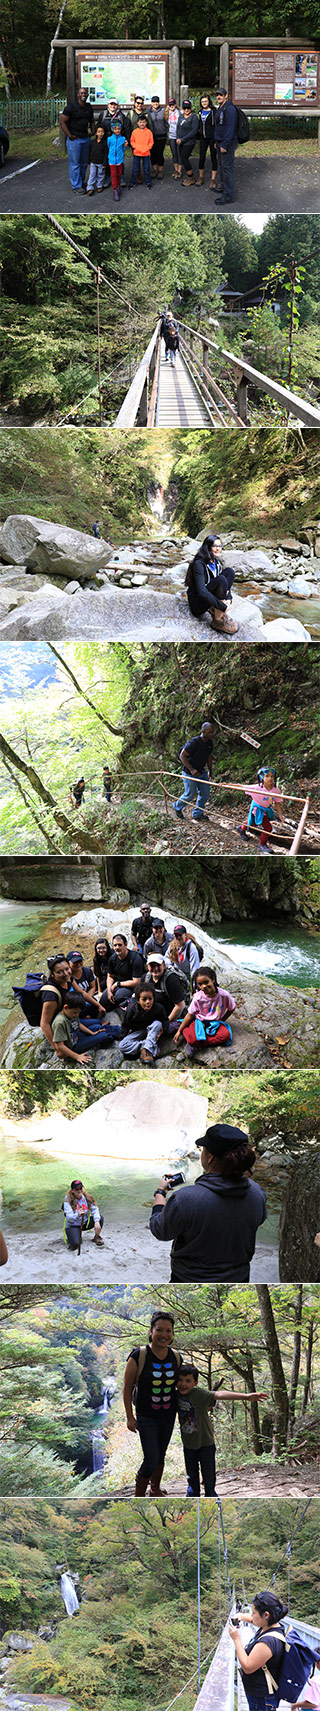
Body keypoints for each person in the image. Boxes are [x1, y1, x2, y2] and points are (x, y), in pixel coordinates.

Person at [149, 1122, 267, 1281]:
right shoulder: (257, 1193)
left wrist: (160, 1193)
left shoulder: (186, 1199)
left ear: (210, 1157)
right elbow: (257, 1220)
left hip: (188, 1278)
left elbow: (160, 1230)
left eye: (204, 1149)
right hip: (239, 1277)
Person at [176, 1364, 267, 1497]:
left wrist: (246, 1396)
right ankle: (192, 1495)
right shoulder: (174, 1396)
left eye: (188, 1381)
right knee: (192, 1476)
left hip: (206, 1443)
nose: (183, 1384)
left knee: (209, 1476)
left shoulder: (199, 1394)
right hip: (189, 1445)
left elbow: (219, 1394)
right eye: (180, 1380)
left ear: (195, 1382)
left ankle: (210, 1495)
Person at [123, 1308, 183, 1495]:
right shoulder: (138, 1355)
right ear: (151, 1331)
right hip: (146, 1416)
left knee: (160, 1456)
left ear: (172, 1333)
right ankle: (139, 1494)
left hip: (168, 1415)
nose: (164, 1335)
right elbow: (127, 1387)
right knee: (151, 1458)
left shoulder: (176, 1357)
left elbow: (183, 1385)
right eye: (159, 1330)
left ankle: (155, 1489)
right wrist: (129, 1417)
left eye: (168, 1331)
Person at [229, 1591, 289, 1709]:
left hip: (262, 1699)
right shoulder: (271, 1626)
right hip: (259, 1695)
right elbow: (253, 1620)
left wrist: (237, 1639)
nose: (251, 1616)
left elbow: (247, 1666)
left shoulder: (268, 1641)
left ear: (266, 1615)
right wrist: (240, 1616)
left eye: (254, 1612)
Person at [174, 964, 235, 1059]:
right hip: (199, 1021)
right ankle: (186, 1031)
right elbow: (190, 1015)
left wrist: (223, 1019)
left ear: (213, 979)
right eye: (200, 984)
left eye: (206, 982)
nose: (204, 986)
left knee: (226, 1035)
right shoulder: (198, 997)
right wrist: (179, 1031)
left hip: (215, 1023)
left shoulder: (224, 995)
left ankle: (198, 1043)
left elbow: (231, 1008)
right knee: (193, 1038)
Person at [185, 534, 238, 636]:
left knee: (229, 572)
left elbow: (225, 585)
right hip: (197, 603)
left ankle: (218, 612)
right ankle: (218, 621)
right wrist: (222, 606)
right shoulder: (199, 564)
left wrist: (229, 599)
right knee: (221, 579)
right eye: (215, 546)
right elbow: (202, 592)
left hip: (209, 599)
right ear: (208, 546)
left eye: (220, 546)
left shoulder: (216, 562)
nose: (218, 549)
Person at [52, 993, 121, 1064]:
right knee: (103, 1035)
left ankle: (119, 1030)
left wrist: (92, 1033)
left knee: (97, 1027)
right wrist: (77, 1056)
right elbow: (59, 1046)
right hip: (73, 1047)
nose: (77, 1015)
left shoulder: (72, 1014)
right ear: (66, 1007)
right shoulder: (60, 1022)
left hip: (78, 1036)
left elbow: (78, 1024)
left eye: (78, 1013)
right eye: (75, 1013)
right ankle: (118, 1034)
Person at [119, 979, 168, 1064]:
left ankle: (147, 1050)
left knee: (157, 1024)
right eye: (144, 999)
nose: (148, 1002)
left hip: (152, 1031)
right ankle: (149, 1048)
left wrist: (163, 1029)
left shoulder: (159, 1008)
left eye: (150, 999)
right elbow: (125, 1025)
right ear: (138, 1000)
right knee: (122, 1046)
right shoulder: (131, 1010)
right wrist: (122, 1036)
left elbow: (165, 1021)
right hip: (139, 1032)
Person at [237, 767, 285, 856]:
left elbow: (278, 803)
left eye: (272, 776)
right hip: (257, 809)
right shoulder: (257, 787)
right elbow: (241, 786)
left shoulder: (276, 790)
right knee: (268, 828)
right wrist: (226, 784)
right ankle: (262, 844)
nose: (270, 778)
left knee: (254, 823)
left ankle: (241, 828)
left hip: (265, 809)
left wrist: (281, 815)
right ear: (262, 777)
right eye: (267, 776)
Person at [174, 721, 214, 822]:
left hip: (201, 772)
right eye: (209, 732)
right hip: (189, 772)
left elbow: (209, 757)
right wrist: (192, 770)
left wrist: (210, 771)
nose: (211, 734)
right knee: (190, 794)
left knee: (205, 794)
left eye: (212, 732)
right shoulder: (194, 743)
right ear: (203, 732)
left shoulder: (209, 743)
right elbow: (182, 756)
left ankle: (198, 814)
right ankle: (177, 807)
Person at [60, 87, 95, 193]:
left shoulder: (88, 107)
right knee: (75, 164)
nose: (83, 95)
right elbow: (62, 122)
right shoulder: (71, 107)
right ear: (78, 95)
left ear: (87, 95)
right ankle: (76, 186)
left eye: (85, 93)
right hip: (74, 140)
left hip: (85, 138)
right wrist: (69, 135)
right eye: (81, 93)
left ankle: (81, 181)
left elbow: (92, 120)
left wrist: (92, 132)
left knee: (84, 163)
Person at [145, 952, 189, 1030]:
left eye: (158, 965)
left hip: (170, 1015)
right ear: (147, 966)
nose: (155, 969)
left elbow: (180, 1005)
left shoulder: (171, 980)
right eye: (152, 966)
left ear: (164, 965)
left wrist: (165, 1023)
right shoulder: (146, 978)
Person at [103, 933, 144, 1008]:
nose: (117, 948)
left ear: (126, 944)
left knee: (119, 995)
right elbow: (110, 976)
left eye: (119, 945)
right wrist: (109, 990)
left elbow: (136, 982)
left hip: (131, 987)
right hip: (118, 984)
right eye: (115, 945)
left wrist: (117, 984)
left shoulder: (135, 958)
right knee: (103, 1001)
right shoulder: (112, 959)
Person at [40, 957, 72, 1049]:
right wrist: (57, 1048)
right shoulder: (51, 996)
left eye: (67, 969)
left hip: (69, 1016)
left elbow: (82, 993)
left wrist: (98, 1005)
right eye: (59, 972)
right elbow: (44, 1024)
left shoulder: (67, 979)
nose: (65, 974)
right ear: (52, 974)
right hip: (59, 1026)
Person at [63, 1180, 104, 1251]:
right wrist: (77, 1215)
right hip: (73, 1225)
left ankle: (96, 1237)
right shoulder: (67, 1201)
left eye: (81, 1188)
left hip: (84, 1223)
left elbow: (95, 1208)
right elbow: (69, 1218)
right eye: (77, 1189)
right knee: (76, 1244)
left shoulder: (86, 1196)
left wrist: (96, 1221)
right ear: (72, 1190)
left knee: (100, 1218)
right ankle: (73, 1236)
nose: (79, 1191)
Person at [214, 86, 238, 205]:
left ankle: (229, 196)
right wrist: (216, 141)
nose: (218, 96)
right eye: (217, 95)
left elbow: (230, 129)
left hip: (227, 143)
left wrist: (225, 144)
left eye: (221, 95)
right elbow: (219, 126)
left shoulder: (230, 109)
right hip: (220, 142)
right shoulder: (221, 108)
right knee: (222, 166)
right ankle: (224, 187)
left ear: (225, 96)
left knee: (227, 169)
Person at [67, 951, 107, 1017]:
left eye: (80, 961)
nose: (78, 964)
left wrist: (87, 999)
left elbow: (93, 987)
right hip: (74, 1003)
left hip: (87, 997)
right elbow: (80, 992)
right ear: (68, 963)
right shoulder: (67, 976)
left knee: (94, 1005)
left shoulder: (87, 971)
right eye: (75, 962)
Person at [176, 100, 199, 186]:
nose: (186, 109)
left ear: (191, 107)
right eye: (184, 108)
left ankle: (191, 178)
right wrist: (178, 137)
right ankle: (189, 176)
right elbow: (178, 128)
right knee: (182, 159)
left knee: (184, 158)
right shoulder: (181, 116)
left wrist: (183, 139)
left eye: (188, 107)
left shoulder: (194, 117)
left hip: (189, 142)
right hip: (181, 141)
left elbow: (194, 131)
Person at [197, 95, 217, 189]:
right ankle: (201, 177)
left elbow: (217, 126)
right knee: (201, 157)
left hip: (212, 138)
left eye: (205, 101)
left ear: (209, 101)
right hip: (203, 138)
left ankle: (213, 179)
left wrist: (217, 139)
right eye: (202, 102)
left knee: (213, 157)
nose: (204, 103)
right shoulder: (200, 112)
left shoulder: (214, 112)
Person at [129, 114, 154, 189]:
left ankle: (148, 182)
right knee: (135, 169)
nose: (142, 124)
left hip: (146, 153)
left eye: (143, 122)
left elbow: (151, 142)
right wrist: (135, 147)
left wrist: (147, 148)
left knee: (146, 169)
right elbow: (132, 141)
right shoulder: (135, 132)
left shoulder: (149, 132)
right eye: (140, 122)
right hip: (137, 152)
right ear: (137, 123)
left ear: (146, 123)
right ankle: (132, 183)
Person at [106, 118, 127, 202]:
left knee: (119, 174)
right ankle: (115, 189)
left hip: (120, 160)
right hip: (111, 161)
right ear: (112, 129)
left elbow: (123, 149)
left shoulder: (123, 139)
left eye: (118, 129)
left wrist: (125, 147)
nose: (117, 131)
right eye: (115, 129)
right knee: (114, 175)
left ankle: (118, 187)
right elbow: (109, 147)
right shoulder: (110, 139)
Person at [147, 95, 168, 178]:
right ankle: (154, 170)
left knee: (160, 153)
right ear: (151, 103)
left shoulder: (164, 110)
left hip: (161, 135)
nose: (155, 103)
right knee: (153, 154)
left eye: (157, 102)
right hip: (151, 136)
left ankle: (160, 171)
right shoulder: (148, 111)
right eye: (154, 102)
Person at [86, 123, 108, 195]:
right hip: (93, 162)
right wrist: (88, 161)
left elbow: (106, 154)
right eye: (99, 132)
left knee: (100, 174)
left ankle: (99, 185)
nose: (100, 133)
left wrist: (105, 163)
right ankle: (90, 187)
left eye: (102, 132)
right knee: (92, 174)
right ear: (96, 132)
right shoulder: (92, 142)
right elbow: (88, 152)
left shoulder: (105, 143)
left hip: (101, 162)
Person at [167, 98, 182, 177]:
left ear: (175, 105)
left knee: (179, 153)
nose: (171, 106)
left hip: (179, 136)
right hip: (171, 136)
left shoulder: (180, 112)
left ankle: (179, 171)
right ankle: (175, 170)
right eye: (170, 105)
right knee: (174, 153)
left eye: (173, 104)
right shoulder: (167, 113)